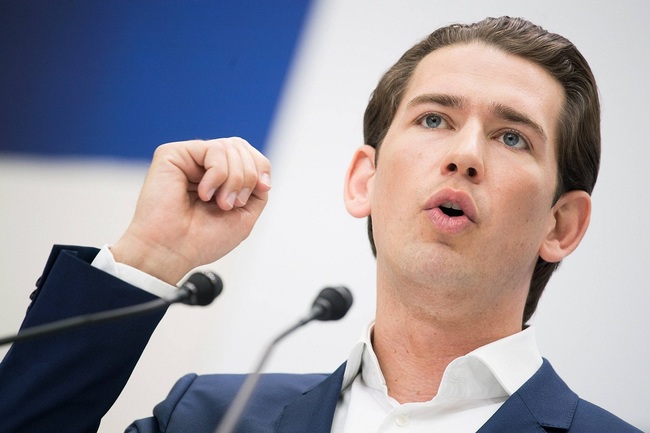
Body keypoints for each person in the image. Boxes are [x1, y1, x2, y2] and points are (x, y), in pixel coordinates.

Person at [0, 16, 642, 433]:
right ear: (365, 180)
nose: (465, 155)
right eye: (434, 120)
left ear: (561, 224)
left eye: (510, 136)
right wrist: (150, 256)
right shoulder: (208, 419)